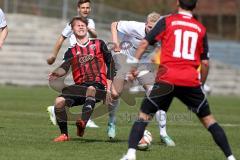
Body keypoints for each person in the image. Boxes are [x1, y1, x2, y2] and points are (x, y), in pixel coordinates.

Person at [120, 0, 236, 160]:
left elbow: (144, 43)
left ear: (177, 3)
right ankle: (230, 157)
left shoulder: (167, 21)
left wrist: (133, 67)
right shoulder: (200, 28)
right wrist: (201, 85)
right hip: (190, 81)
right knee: (209, 121)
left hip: (167, 79)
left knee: (144, 116)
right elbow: (205, 63)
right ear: (195, 6)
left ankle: (131, 154)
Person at [108, 12, 175, 146]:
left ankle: (163, 134)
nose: (152, 30)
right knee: (115, 94)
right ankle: (112, 122)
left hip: (143, 64)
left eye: (154, 28)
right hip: (125, 61)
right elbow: (114, 24)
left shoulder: (162, 34)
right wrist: (116, 43)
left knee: (157, 96)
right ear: (145, 24)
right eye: (149, 27)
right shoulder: (134, 27)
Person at [49, 16, 113, 142]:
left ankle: (82, 123)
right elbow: (64, 68)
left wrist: (109, 89)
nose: (81, 26)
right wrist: (55, 74)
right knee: (59, 101)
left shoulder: (99, 44)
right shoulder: (70, 51)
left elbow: (111, 64)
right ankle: (64, 135)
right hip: (80, 87)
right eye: (77, 25)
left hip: (98, 86)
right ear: (72, 30)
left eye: (83, 24)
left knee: (91, 89)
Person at [47, 0, 99, 128]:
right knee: (87, 85)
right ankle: (60, 108)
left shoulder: (90, 22)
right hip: (74, 56)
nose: (85, 10)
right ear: (78, 9)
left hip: (87, 57)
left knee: (88, 85)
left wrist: (90, 31)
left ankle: (60, 108)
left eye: (87, 7)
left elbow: (94, 35)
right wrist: (53, 55)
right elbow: (61, 39)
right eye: (83, 7)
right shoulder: (72, 23)